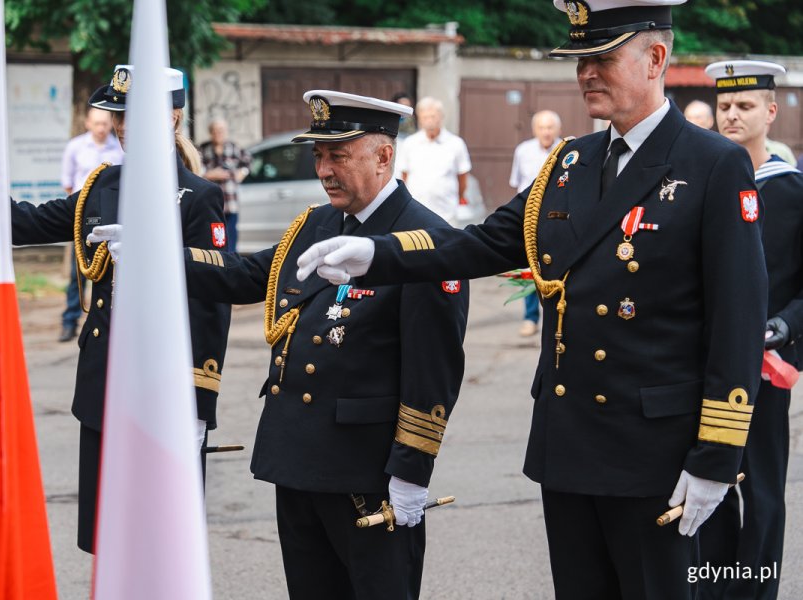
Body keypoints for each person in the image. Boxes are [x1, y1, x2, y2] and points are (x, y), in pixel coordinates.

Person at [297, 2, 768, 598]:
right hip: (568, 445)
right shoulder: (571, 162)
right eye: (579, 61)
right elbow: (483, 243)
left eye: (600, 58)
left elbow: (739, 320)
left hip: (657, 455)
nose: (585, 74)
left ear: (655, 58)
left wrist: (716, 457)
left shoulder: (712, 164)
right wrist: (378, 255)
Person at [115, 90, 468, 599]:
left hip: (364, 473)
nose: (324, 169)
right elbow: (245, 275)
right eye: (319, 155)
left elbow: (433, 369)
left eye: (338, 155)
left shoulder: (426, 241)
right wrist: (162, 255)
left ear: (384, 155)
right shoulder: (317, 223)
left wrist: (411, 472)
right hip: (297, 458)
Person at [0, 65, 231, 554]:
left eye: (134, 115)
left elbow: (211, 302)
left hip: (164, 392)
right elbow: (27, 222)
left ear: (173, 117)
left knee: (161, 545)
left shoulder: (197, 198)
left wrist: (198, 409)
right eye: (118, 115)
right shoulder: (103, 186)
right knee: (107, 540)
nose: (122, 126)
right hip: (104, 389)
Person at [698, 59, 803, 600]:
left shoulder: (792, 189)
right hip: (702, 364)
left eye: (743, 106)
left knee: (761, 489)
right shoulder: (700, 183)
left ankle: (755, 591)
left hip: (764, 366)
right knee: (707, 485)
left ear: (771, 110)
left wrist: (786, 327)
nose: (731, 115)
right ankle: (714, 589)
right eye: (724, 107)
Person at [58, 107, 124, 342]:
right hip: (82, 219)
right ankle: (69, 320)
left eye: (105, 123)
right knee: (79, 274)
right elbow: (68, 183)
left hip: (114, 223)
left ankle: (111, 323)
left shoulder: (119, 148)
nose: (101, 128)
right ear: (87, 123)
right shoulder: (75, 147)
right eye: (96, 123)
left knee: (110, 274)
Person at [509, 110, 562, 337]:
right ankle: (530, 318)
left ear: (557, 130)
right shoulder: (523, 150)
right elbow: (517, 184)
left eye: (550, 127)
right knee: (529, 267)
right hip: (529, 219)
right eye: (542, 127)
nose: (546, 132)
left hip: (557, 219)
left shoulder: (568, 150)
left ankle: (555, 319)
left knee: (556, 269)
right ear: (534, 130)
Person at [397, 96, 472, 225]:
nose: (429, 121)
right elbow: (404, 176)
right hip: (415, 213)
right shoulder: (410, 143)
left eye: (433, 116)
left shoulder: (456, 143)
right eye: (425, 117)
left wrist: (459, 197)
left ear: (441, 117)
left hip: (447, 214)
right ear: (419, 119)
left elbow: (463, 177)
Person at [198, 118, 251, 253]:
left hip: (230, 201)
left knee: (231, 237)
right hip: (210, 203)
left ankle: (230, 263)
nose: (218, 133)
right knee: (213, 237)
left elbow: (248, 161)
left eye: (221, 130)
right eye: (215, 131)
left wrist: (242, 172)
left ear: (226, 132)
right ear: (210, 133)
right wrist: (210, 174)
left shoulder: (234, 148)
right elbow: (196, 168)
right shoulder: (203, 149)